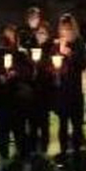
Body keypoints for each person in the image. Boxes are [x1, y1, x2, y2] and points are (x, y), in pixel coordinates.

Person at [0, 25, 33, 161]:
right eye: (6, 35)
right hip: (0, 99)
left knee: (19, 129)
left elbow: (28, 72)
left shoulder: (21, 54)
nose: (8, 39)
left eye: (11, 35)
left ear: (16, 37)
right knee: (3, 129)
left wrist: (16, 73)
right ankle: (4, 156)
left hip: (17, 99)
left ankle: (22, 155)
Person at [51, 14, 86, 167]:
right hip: (61, 90)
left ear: (73, 28)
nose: (65, 31)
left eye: (68, 28)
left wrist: (70, 54)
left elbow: (83, 64)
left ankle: (77, 154)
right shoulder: (57, 43)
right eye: (63, 28)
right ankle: (64, 153)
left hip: (75, 90)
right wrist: (55, 68)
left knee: (77, 124)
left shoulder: (79, 43)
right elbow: (51, 62)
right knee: (63, 124)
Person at [26, 22, 54, 158]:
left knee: (44, 120)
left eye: (43, 33)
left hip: (46, 89)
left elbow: (54, 66)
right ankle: (31, 145)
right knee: (32, 120)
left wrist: (42, 67)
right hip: (32, 89)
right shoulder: (31, 47)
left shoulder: (52, 48)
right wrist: (32, 68)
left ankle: (44, 146)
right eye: (39, 32)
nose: (40, 35)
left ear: (48, 35)